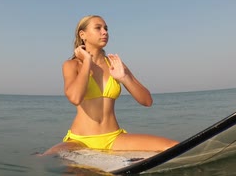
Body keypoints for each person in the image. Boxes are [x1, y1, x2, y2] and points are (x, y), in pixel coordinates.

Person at [45, 15, 178, 154]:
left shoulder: (114, 64)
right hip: (81, 141)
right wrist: (87, 62)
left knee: (174, 147)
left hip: (113, 138)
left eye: (106, 28)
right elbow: (75, 98)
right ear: (82, 34)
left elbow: (147, 101)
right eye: (98, 28)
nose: (105, 32)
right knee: (46, 157)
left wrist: (124, 77)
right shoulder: (72, 65)